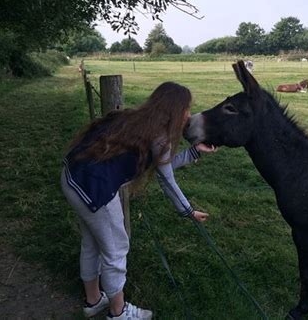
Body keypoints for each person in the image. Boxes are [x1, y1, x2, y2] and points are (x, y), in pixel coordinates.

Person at [61, 82, 216, 319]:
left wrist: (194, 152)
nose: (188, 114)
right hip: (94, 191)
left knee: (91, 242)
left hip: (72, 178)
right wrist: (188, 211)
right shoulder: (160, 137)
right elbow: (167, 181)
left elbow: (163, 166)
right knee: (116, 250)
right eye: (187, 108)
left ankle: (93, 300)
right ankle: (119, 312)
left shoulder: (133, 119)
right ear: (174, 110)